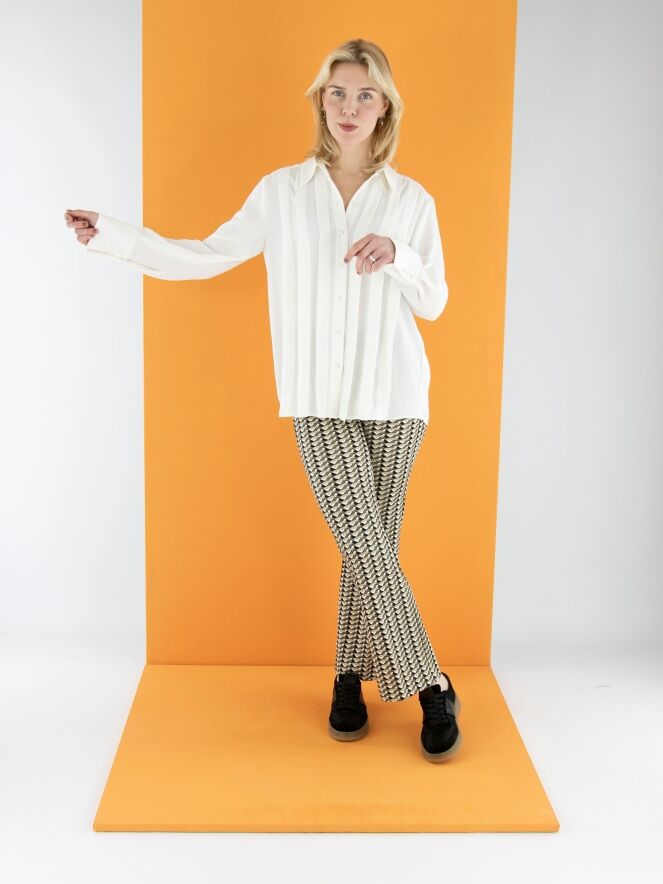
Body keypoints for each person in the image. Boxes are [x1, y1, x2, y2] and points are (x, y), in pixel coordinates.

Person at [64, 38, 462, 762]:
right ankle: (430, 682)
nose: (348, 107)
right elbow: (205, 254)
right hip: (315, 394)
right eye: (336, 93)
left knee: (370, 547)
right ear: (320, 101)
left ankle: (348, 679)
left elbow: (433, 301)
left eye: (364, 95)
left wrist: (398, 255)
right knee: (366, 542)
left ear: (384, 107)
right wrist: (114, 238)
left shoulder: (412, 202)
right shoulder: (281, 193)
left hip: (396, 392)